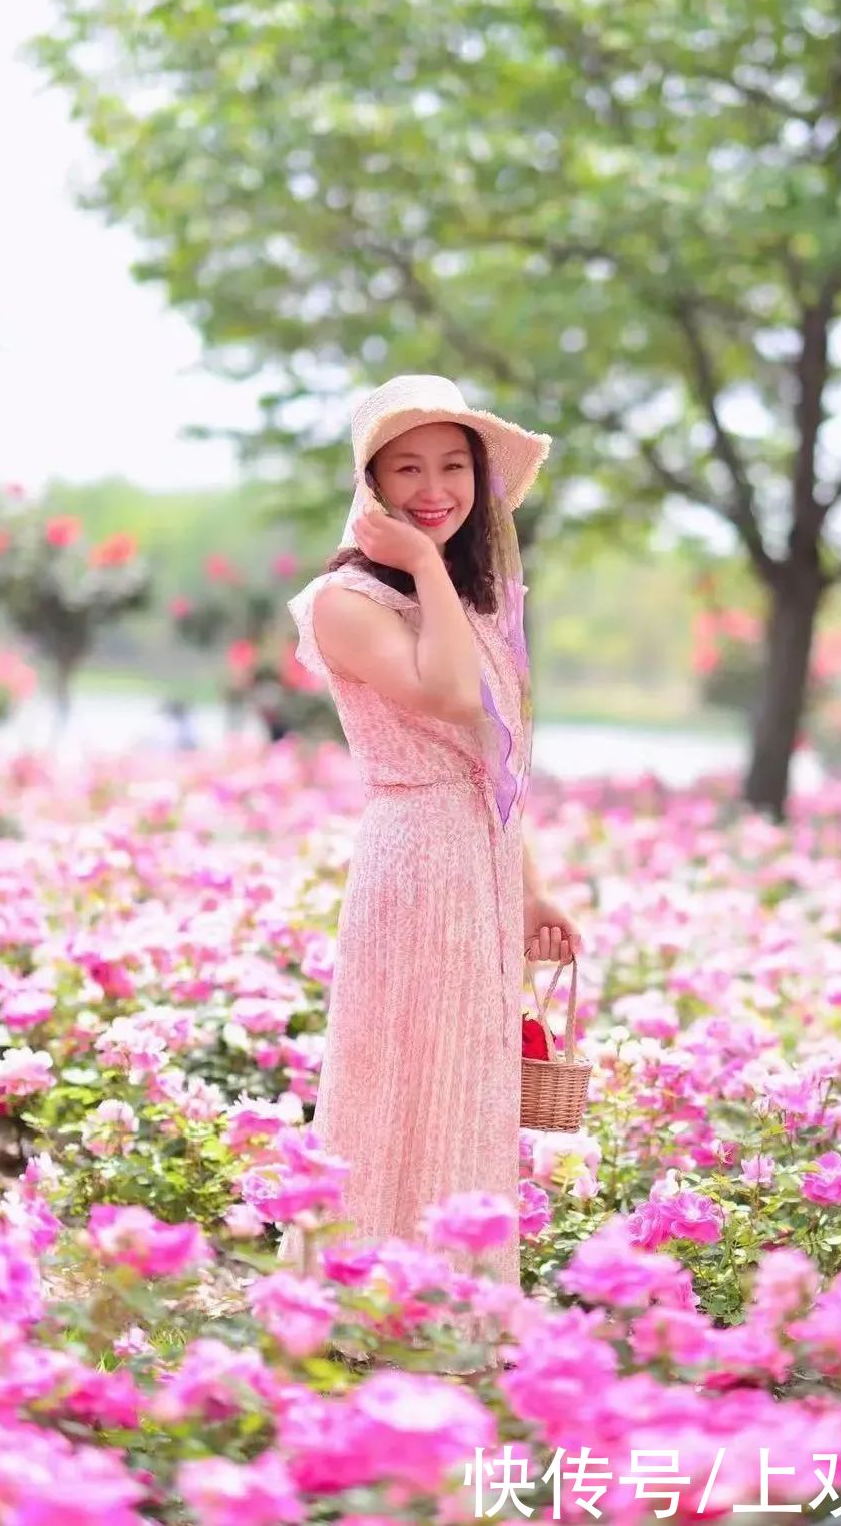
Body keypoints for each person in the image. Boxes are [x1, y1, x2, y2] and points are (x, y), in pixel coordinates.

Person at [278, 374, 582, 1347]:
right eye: (407, 468)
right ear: (371, 483)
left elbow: (495, 758)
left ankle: (452, 1310)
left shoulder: (481, 606)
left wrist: (532, 886)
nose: (435, 486)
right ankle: (357, 1307)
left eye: (454, 465)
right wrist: (417, 557)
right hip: (412, 861)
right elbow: (448, 698)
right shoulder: (343, 601)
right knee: (396, 1077)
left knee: (469, 1080)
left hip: (480, 861)